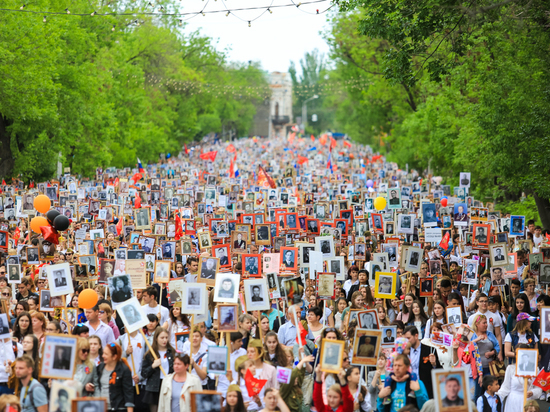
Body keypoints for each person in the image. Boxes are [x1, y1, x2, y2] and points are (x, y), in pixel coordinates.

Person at [96, 342, 135, 412]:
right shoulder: (100, 368)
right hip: (102, 407)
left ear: (114, 357)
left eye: (106, 354)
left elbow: (128, 393)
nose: (103, 356)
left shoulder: (124, 370)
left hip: (118, 408)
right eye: (103, 353)